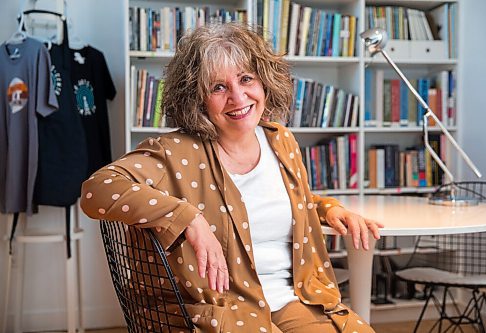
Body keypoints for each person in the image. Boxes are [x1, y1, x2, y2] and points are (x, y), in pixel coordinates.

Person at [81, 22, 383, 333]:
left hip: (295, 297)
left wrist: (329, 209)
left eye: (246, 79)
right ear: (196, 98)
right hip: (222, 305)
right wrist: (188, 219)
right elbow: (97, 191)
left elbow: (288, 199)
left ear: (265, 82)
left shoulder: (282, 141)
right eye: (218, 87)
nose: (238, 97)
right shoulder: (174, 151)